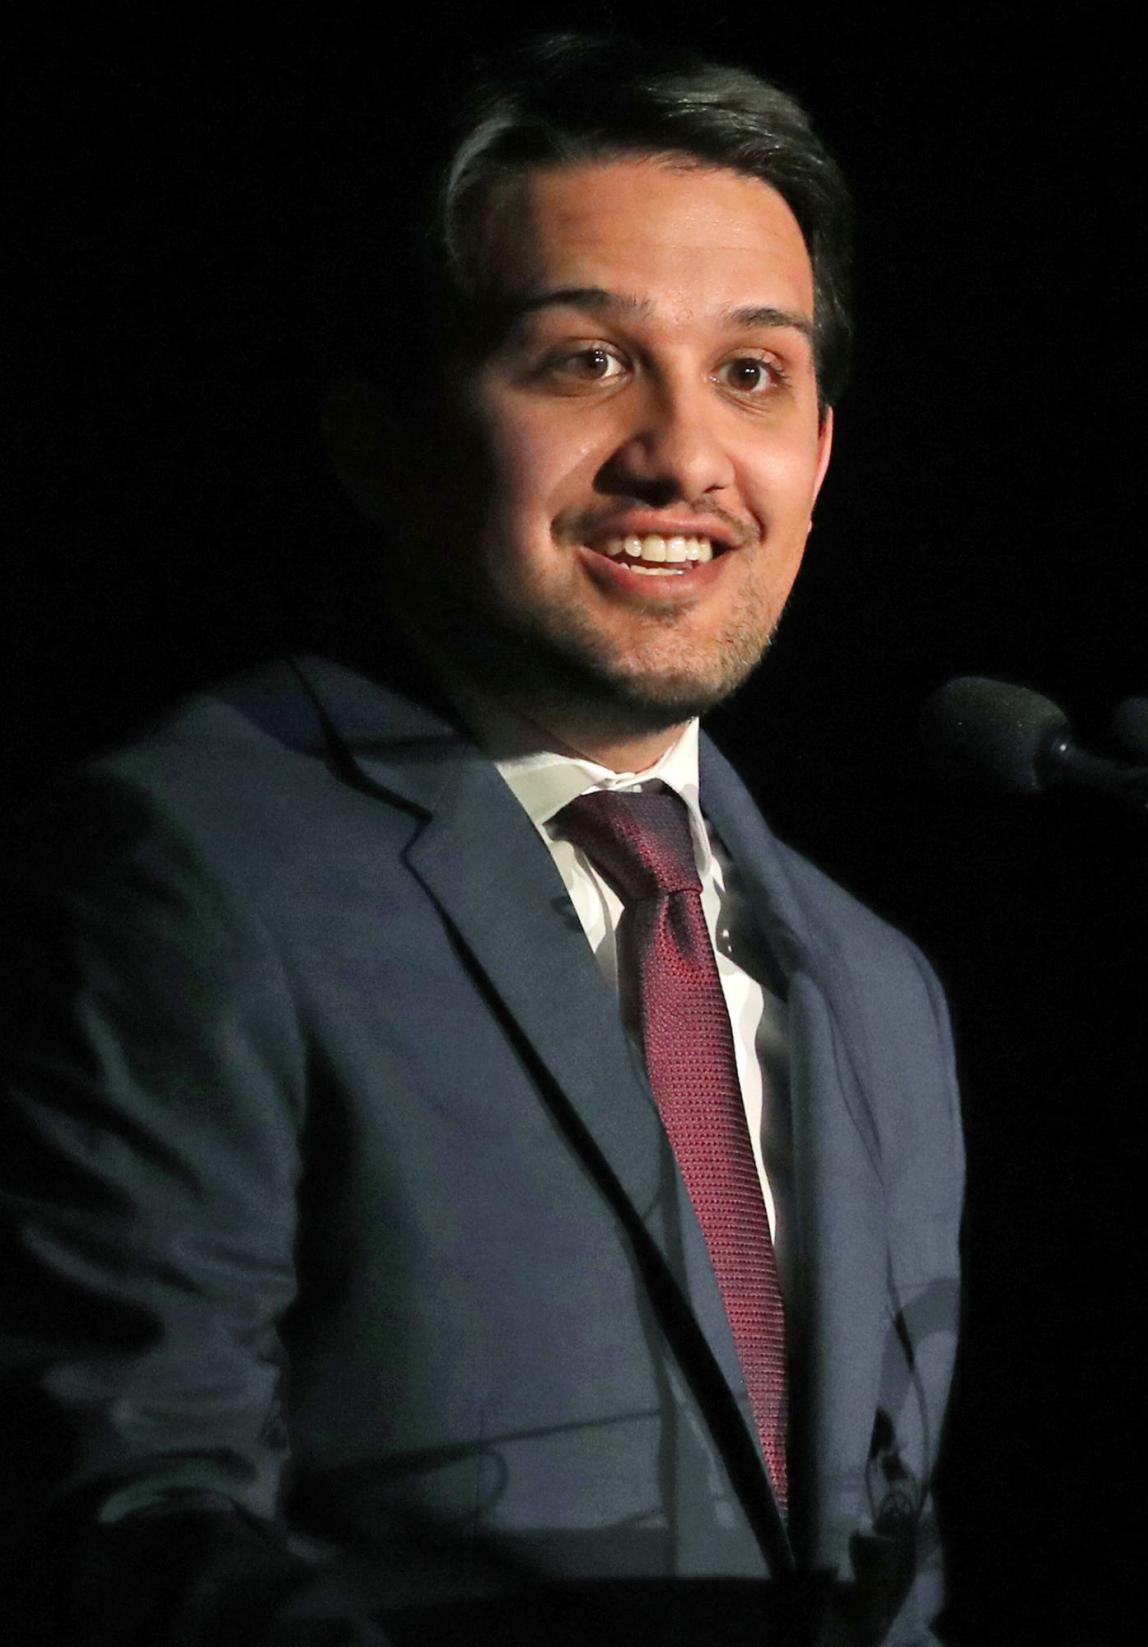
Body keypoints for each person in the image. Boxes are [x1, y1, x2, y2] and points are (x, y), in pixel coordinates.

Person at [0, 33, 964, 1647]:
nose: (681, 454)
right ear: (379, 432)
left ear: (817, 456)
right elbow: (123, 1515)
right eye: (585, 360)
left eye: (752, 373)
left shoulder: (880, 990)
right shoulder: (183, 869)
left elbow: (883, 1566)